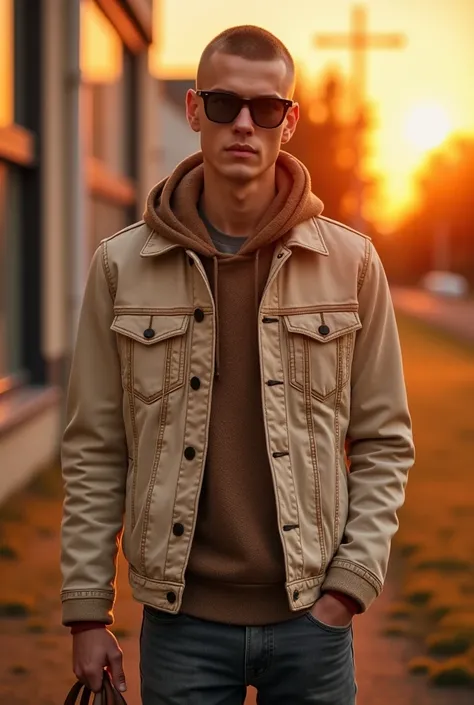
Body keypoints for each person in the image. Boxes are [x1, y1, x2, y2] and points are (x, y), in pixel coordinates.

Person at [61, 24, 415, 705]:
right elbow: (96, 447)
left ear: (291, 119)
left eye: (267, 108)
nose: (244, 124)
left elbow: (384, 441)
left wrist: (349, 588)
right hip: (182, 623)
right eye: (224, 105)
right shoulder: (121, 266)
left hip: (313, 620)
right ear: (194, 111)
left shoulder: (351, 264)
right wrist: (85, 610)